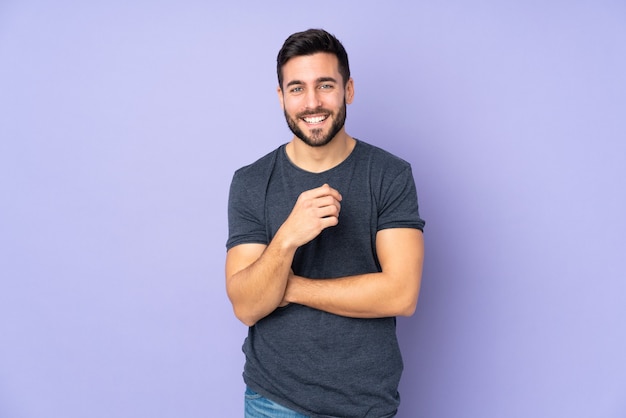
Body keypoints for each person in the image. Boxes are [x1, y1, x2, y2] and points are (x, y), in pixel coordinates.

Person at [225, 28, 425, 418]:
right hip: (273, 402)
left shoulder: (390, 175)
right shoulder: (251, 182)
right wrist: (287, 237)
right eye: (297, 88)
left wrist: (292, 287)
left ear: (348, 90)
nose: (312, 102)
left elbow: (401, 294)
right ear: (281, 97)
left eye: (325, 85)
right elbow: (247, 307)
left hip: (367, 404)